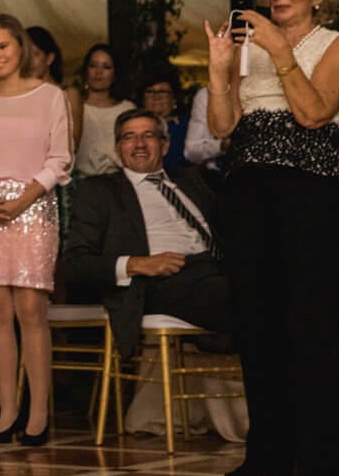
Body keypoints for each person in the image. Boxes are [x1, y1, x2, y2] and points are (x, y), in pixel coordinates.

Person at [202, 0, 339, 476]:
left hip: (310, 193)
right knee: (256, 324)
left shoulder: (338, 45)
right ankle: (266, 450)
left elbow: (314, 114)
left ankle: (317, 457)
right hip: (247, 191)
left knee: (310, 325)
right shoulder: (249, 48)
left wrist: (280, 52)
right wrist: (221, 71)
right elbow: (221, 127)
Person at [0, 14, 73, 447]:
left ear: (19, 47)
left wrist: (25, 198)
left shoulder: (50, 96)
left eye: (2, 47)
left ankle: (38, 412)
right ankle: (7, 410)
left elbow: (60, 158)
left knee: (30, 312)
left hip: (32, 206)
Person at [60, 109, 232, 359]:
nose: (139, 144)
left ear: (165, 145)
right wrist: (138, 264)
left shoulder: (191, 181)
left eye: (148, 135)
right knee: (242, 297)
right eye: (129, 137)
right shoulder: (99, 191)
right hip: (161, 281)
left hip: (215, 269)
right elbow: (75, 264)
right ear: (118, 149)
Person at [69, 43, 134, 178]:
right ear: (86, 71)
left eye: (106, 67)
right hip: (82, 182)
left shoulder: (127, 109)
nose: (98, 72)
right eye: (93, 65)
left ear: (115, 74)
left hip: (121, 181)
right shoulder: (73, 106)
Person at [135, 70, 190, 172]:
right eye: (150, 92)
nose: (156, 96)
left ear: (174, 99)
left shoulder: (187, 126)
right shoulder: (133, 126)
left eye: (163, 92)